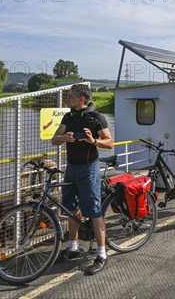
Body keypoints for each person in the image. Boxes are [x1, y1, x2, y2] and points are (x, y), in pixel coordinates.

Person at [51, 84, 114, 275]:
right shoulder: (68, 117)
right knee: (72, 209)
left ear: (81, 99)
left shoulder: (96, 118)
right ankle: (73, 248)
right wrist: (65, 138)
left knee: (94, 211)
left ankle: (102, 254)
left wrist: (93, 141)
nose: (67, 99)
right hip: (71, 167)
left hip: (88, 169)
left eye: (70, 96)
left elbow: (109, 143)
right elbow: (54, 139)